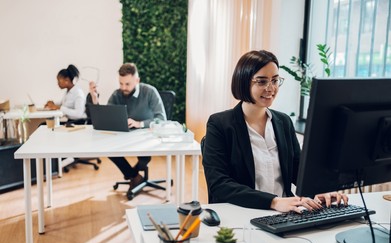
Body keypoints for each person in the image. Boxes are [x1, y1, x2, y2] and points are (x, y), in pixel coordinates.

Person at [202, 50, 348, 213]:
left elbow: (298, 171)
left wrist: (320, 190)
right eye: (262, 81)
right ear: (244, 81)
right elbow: (219, 184)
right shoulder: (220, 124)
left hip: (286, 212)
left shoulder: (283, 122)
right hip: (245, 212)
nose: (270, 88)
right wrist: (274, 202)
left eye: (275, 80)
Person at [89, 62, 167, 195]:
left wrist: (139, 123)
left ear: (137, 80)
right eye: (121, 83)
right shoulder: (117, 94)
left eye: (127, 84)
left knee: (144, 158)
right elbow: (105, 116)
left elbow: (162, 118)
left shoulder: (149, 92)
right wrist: (95, 99)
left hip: (146, 135)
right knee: (107, 148)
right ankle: (134, 176)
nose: (123, 87)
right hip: (124, 135)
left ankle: (132, 175)